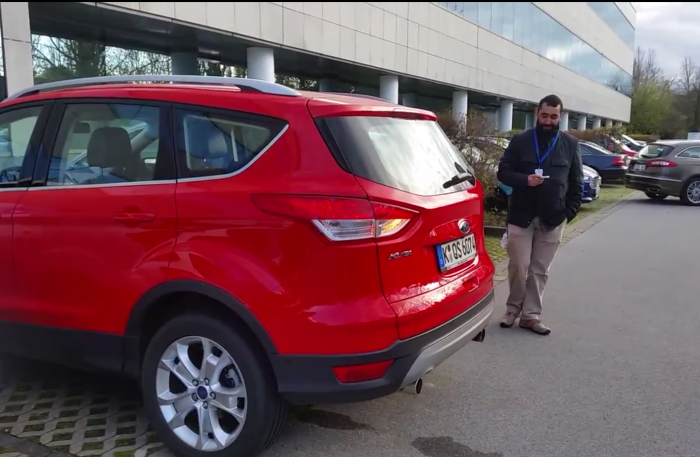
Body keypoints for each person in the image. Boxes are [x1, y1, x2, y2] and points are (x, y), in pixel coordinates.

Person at [496, 94, 583, 335]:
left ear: (560, 117)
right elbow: (503, 172)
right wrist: (525, 180)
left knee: (538, 271)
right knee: (518, 266)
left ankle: (531, 316)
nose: (548, 120)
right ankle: (512, 310)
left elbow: (576, 183)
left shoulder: (571, 144)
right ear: (537, 114)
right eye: (544, 115)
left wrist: (569, 213)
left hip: (553, 218)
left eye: (553, 117)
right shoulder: (521, 140)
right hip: (521, 216)